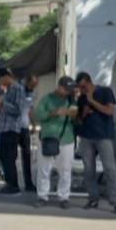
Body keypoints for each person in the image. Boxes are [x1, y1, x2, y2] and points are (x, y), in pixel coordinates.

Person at [75, 72, 116, 214]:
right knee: (88, 169)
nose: (82, 90)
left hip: (103, 136)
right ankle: (93, 198)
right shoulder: (81, 98)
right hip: (86, 136)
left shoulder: (105, 91)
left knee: (109, 168)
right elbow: (78, 120)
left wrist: (92, 101)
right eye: (80, 87)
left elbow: (110, 111)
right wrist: (84, 113)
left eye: (84, 86)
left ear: (90, 82)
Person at [32, 76, 78, 209]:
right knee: (44, 169)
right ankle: (42, 196)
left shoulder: (72, 100)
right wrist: (54, 113)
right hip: (48, 138)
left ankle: (64, 197)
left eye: (70, 89)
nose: (68, 92)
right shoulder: (47, 99)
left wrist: (74, 115)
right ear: (59, 86)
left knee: (65, 169)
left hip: (67, 139)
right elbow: (37, 116)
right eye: (66, 89)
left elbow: (76, 119)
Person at [0, 69, 26, 195]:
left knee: (9, 157)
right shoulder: (9, 89)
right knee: (2, 155)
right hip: (4, 127)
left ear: (5, 77)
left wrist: (2, 103)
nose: (0, 83)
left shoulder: (18, 89)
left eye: (0, 80)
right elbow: (5, 108)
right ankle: (8, 183)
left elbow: (18, 109)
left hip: (12, 128)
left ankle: (13, 185)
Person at [17, 73, 39, 192]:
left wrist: (34, 124)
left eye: (35, 85)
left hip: (24, 128)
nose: (34, 87)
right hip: (13, 127)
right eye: (32, 84)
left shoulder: (31, 94)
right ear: (27, 81)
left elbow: (30, 110)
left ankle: (28, 183)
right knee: (11, 155)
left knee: (27, 155)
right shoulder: (17, 90)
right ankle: (10, 181)